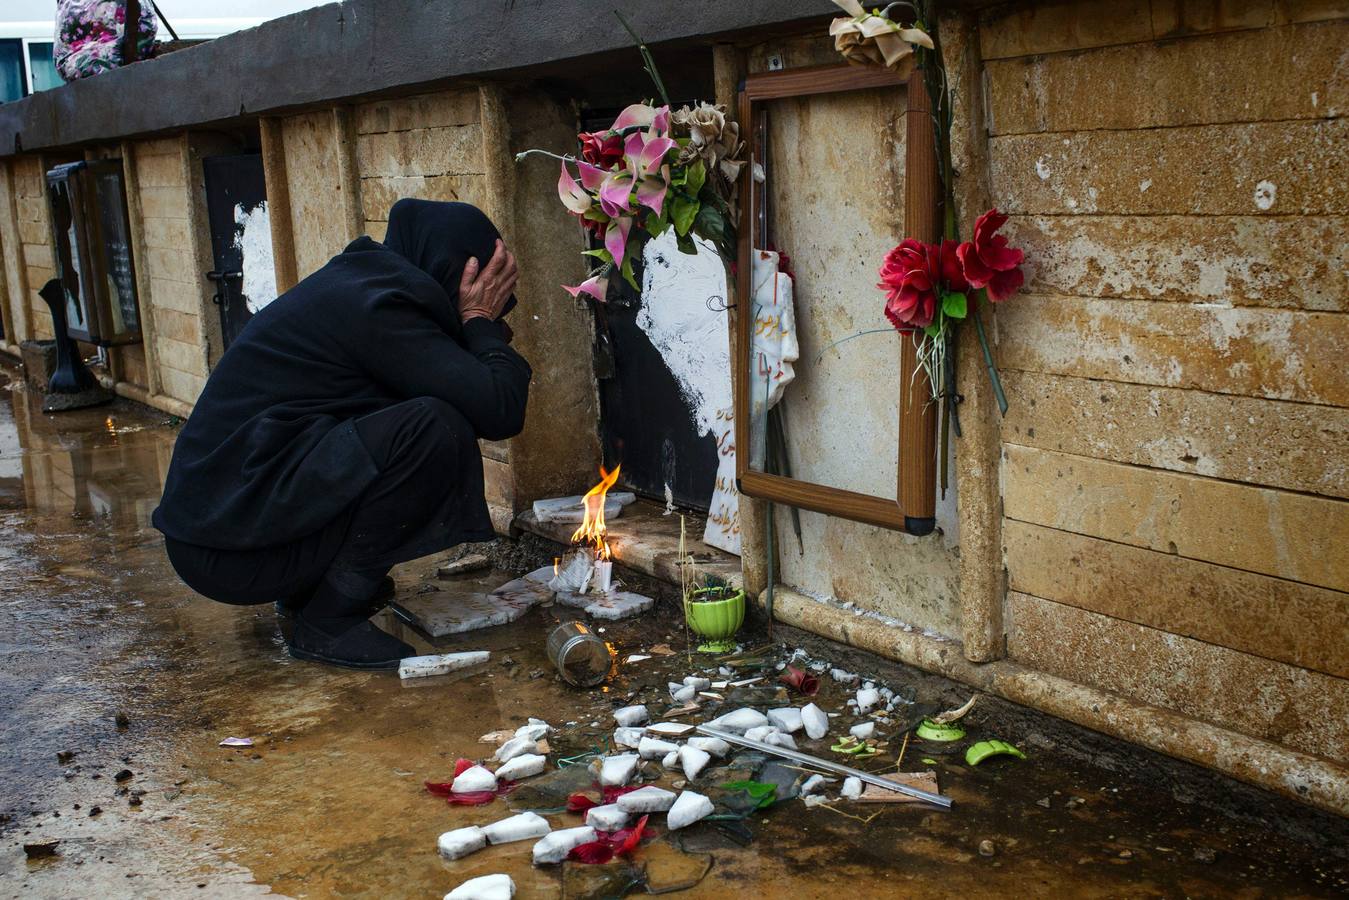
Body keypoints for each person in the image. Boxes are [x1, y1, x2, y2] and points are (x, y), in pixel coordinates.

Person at [153, 200, 529, 670]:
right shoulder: (382, 305)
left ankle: (307, 594)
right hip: (227, 553)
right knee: (434, 429)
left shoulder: (367, 284)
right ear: (456, 272)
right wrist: (478, 322)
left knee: (405, 423)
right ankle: (329, 621)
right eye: (483, 287)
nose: (494, 306)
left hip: (217, 534)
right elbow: (499, 409)